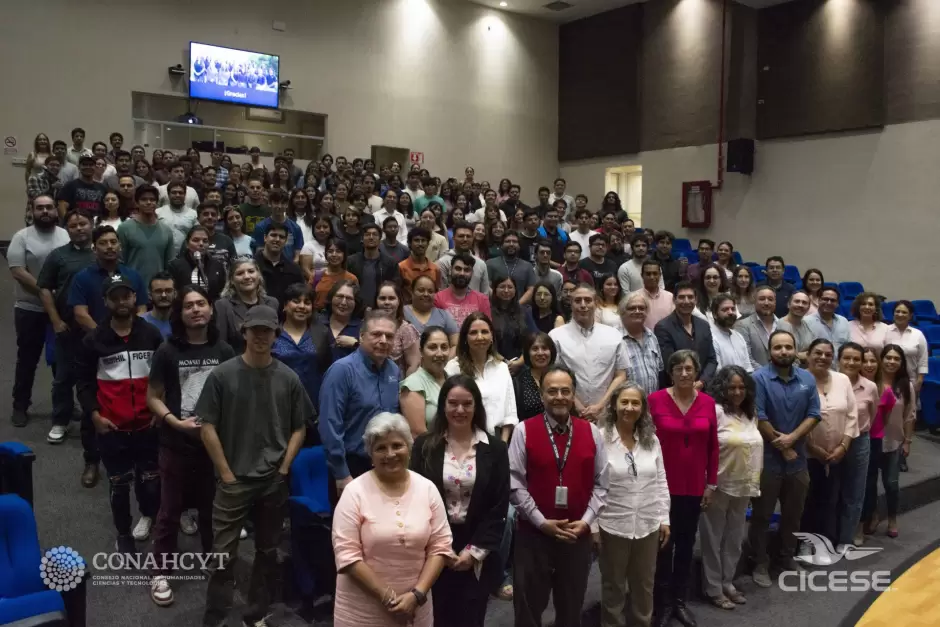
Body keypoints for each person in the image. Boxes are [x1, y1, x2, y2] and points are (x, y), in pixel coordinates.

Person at [196, 304, 311, 627]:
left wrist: (285, 467)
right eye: (255, 330)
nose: (261, 336)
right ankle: (215, 619)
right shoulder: (222, 375)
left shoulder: (288, 378)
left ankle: (255, 615)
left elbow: (299, 426)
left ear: (276, 334)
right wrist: (226, 474)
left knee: (267, 552)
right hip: (234, 482)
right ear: (244, 332)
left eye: (268, 331)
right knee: (223, 557)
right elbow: (206, 426)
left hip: (273, 479)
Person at [146, 286, 236, 607]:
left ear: (211, 310)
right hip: (175, 444)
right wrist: (174, 422)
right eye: (188, 306)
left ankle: (213, 562)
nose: (196, 310)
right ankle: (160, 572)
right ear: (179, 313)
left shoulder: (224, 350)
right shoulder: (167, 351)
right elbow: (153, 397)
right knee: (169, 512)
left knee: (211, 510)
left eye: (201, 304)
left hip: (213, 447)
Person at [509, 365, 609, 627]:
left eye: (566, 391)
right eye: (552, 391)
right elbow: (515, 482)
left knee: (571, 609)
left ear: (573, 393)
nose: (559, 396)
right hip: (533, 537)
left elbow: (602, 484)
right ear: (542, 395)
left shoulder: (591, 432)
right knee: (528, 609)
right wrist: (541, 522)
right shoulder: (523, 430)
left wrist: (587, 521)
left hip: (577, 537)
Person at [331, 413, 453, 627]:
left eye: (397, 445)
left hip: (417, 606)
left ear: (409, 446)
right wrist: (389, 599)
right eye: (380, 448)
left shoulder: (427, 489)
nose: (390, 454)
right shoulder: (354, 493)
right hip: (362, 612)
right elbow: (347, 555)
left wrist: (416, 596)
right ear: (370, 454)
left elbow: (441, 547)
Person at [410, 376, 511, 627]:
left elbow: (498, 507)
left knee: (471, 617)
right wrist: (440, 548)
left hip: (476, 548)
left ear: (476, 407)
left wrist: (474, 553)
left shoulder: (495, 448)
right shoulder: (425, 445)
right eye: (453, 403)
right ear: (443, 405)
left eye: (467, 404)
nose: (460, 410)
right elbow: (415, 498)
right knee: (436, 617)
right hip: (434, 546)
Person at [75, 275, 164, 554]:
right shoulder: (93, 340)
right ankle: (123, 533)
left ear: (135, 298)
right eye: (115, 297)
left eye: (126, 296)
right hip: (113, 428)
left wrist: (160, 410)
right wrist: (94, 416)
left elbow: (163, 378)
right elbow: (85, 383)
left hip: (148, 426)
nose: (121, 302)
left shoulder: (151, 334)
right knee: (119, 486)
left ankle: (149, 517)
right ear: (106, 302)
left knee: (150, 482)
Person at [647, 350, 718, 627]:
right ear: (671, 371)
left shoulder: (709, 403)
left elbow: (713, 448)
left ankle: (679, 601)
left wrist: (711, 484)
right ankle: (661, 603)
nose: (684, 373)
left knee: (687, 545)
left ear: (697, 371)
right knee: (663, 546)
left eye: (689, 368)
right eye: (679, 369)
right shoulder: (655, 400)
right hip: (663, 486)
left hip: (694, 488)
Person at [748, 330, 821, 588]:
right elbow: (759, 416)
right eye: (778, 347)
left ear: (795, 349)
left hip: (798, 461)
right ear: (770, 351)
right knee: (762, 515)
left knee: (793, 514)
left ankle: (787, 557)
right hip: (768, 461)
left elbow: (814, 414)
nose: (784, 352)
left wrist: (792, 440)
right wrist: (783, 447)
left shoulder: (807, 379)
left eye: (788, 347)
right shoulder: (758, 379)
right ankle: (759, 562)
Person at [594, 382, 669, 627]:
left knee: (644, 586)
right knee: (613, 587)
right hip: (612, 524)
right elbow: (590, 484)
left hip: (648, 524)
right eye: (624, 402)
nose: (629, 407)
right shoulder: (599, 438)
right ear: (614, 405)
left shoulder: (651, 440)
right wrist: (593, 524)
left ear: (643, 408)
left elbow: (661, 480)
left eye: (635, 402)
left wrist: (664, 518)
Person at [319, 312, 402, 495]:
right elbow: (330, 425)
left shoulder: (394, 371)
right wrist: (341, 473)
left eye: (389, 336)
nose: (383, 340)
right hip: (351, 465)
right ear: (362, 336)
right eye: (376, 334)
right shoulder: (341, 371)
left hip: (386, 463)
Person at [700, 366, 762, 609]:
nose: (737, 392)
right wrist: (708, 483)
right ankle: (713, 587)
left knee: (735, 539)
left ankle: (728, 581)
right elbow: (706, 449)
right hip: (718, 485)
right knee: (712, 539)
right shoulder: (714, 412)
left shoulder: (750, 413)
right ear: (721, 388)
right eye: (731, 387)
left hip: (744, 484)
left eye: (741, 387)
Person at [7, 196, 69, 427]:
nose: (45, 211)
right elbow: (18, 271)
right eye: (39, 208)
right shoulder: (21, 237)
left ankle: (64, 406)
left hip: (61, 310)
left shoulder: (65, 235)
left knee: (60, 361)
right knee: (27, 359)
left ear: (56, 210)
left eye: (49, 207)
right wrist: (46, 292)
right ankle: (20, 405)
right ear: (32, 211)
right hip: (29, 309)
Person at [36, 210, 96, 446]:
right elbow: (44, 289)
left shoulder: (101, 253)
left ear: (91, 225)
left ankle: (95, 419)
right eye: (73, 225)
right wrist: (55, 320)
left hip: (96, 327)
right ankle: (60, 420)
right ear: (67, 230)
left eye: (83, 224)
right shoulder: (58, 256)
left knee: (98, 375)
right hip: (67, 327)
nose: (79, 228)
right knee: (63, 377)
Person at [801, 339, 858, 551]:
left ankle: (825, 540)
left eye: (827, 354)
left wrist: (843, 446)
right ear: (808, 355)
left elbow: (852, 415)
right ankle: (805, 543)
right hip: (808, 454)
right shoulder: (800, 380)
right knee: (808, 500)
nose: (823, 358)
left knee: (831, 498)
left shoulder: (842, 380)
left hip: (837, 453)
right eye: (817, 353)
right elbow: (794, 418)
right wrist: (812, 448)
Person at [550, 284, 628, 422]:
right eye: (577, 300)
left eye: (588, 300)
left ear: (596, 303)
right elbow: (554, 378)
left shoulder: (613, 335)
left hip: (606, 413)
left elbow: (621, 375)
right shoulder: (556, 336)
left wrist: (600, 406)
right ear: (571, 304)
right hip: (570, 413)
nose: (583, 305)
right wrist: (579, 407)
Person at [862, 344, 915, 538]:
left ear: (901, 363)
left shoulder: (905, 385)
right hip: (869, 442)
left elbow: (910, 415)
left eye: (896, 359)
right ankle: (873, 515)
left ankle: (892, 518)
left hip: (893, 442)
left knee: (891, 484)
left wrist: (907, 441)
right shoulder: (870, 382)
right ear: (881, 359)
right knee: (869, 483)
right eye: (888, 357)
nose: (891, 362)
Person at [444, 312, 519, 441]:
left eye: (484, 332)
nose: (480, 337)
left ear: (491, 336)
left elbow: (510, 412)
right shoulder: (453, 368)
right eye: (473, 333)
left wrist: (502, 444)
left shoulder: (502, 368)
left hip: (497, 439)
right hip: (464, 438)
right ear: (465, 338)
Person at [272, 283, 332, 439]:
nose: (302, 306)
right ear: (285, 305)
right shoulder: (273, 333)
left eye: (307, 302)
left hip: (314, 409)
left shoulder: (322, 333)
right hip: (279, 408)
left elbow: (327, 371)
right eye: (296, 301)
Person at [838, 342, 878, 547]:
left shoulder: (870, 387)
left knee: (855, 491)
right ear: (839, 360)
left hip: (859, 441)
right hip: (832, 441)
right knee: (832, 490)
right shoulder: (831, 382)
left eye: (856, 359)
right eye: (847, 358)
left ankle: (846, 538)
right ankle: (829, 535)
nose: (851, 362)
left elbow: (872, 415)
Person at [654, 281, 718, 389]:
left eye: (690, 297)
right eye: (682, 297)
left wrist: (702, 382)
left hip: (703, 388)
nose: (686, 301)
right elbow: (670, 363)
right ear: (674, 300)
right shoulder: (663, 327)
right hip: (677, 389)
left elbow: (712, 359)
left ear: (696, 300)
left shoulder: (704, 325)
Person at [214, 257, 280, 355]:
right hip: (236, 365)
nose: (247, 276)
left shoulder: (272, 303)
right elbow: (221, 345)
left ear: (258, 275)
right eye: (240, 273)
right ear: (232, 280)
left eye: (251, 271)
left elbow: (276, 340)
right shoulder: (223, 305)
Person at [118, 185, 176, 288]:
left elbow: (170, 264)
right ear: (136, 202)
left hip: (159, 289)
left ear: (157, 203)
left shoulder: (166, 230)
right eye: (144, 199)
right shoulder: (124, 228)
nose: (148, 202)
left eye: (152, 199)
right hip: (132, 287)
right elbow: (120, 261)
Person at [400, 327, 451, 435]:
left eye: (444, 347)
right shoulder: (413, 385)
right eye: (432, 348)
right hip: (431, 449)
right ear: (421, 351)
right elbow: (418, 434)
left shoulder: (453, 380)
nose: (439, 354)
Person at [619, 292, 664, 397]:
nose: (638, 311)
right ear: (622, 312)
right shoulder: (616, 339)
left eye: (642, 308)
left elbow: (660, 370)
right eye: (632, 308)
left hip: (651, 405)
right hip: (627, 406)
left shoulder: (652, 337)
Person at [346, 223, 402, 307]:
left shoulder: (390, 263)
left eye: (375, 234)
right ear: (362, 239)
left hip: (381, 308)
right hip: (355, 309)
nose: (371, 237)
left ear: (380, 239)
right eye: (367, 234)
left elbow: (395, 287)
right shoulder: (351, 261)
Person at [374, 281, 421, 376]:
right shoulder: (368, 325)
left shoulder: (406, 329)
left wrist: (404, 388)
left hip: (397, 384)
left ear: (399, 301)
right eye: (382, 298)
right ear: (376, 301)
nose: (387, 302)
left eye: (391, 298)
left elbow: (414, 364)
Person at [167, 226, 226, 302]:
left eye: (205, 241)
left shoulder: (217, 265)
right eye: (196, 240)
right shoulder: (175, 266)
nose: (201, 244)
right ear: (187, 244)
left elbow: (221, 293)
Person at [253, 222, 305, 308]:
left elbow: (300, 295)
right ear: (265, 238)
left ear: (285, 241)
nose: (277, 239)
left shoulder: (294, 269)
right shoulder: (251, 266)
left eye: (281, 237)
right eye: (273, 235)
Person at [490, 275, 537, 366]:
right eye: (502, 287)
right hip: (494, 362)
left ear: (515, 290)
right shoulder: (488, 311)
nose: (506, 290)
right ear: (495, 289)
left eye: (510, 287)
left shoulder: (525, 311)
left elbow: (534, 338)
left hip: (522, 362)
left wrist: (519, 362)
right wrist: (503, 362)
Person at [435, 252, 492, 328]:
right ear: (450, 270)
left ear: (472, 273)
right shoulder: (438, 298)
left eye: (467, 270)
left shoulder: (482, 300)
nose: (462, 273)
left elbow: (487, 329)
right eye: (458, 269)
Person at [885, 300, 929, 393]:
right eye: (897, 311)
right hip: (887, 381)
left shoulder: (918, 334)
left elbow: (923, 359)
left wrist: (920, 380)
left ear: (910, 315)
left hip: (911, 380)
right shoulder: (885, 331)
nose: (900, 314)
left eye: (904, 312)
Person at [513, 332, 557, 423]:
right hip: (530, 433)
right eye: (535, 349)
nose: (540, 353)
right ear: (528, 353)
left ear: (551, 351)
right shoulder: (518, 382)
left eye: (544, 348)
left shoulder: (560, 377)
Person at [403, 275, 459, 344]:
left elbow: (455, 344)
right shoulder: (402, 312)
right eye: (421, 290)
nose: (426, 294)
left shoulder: (444, 316)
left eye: (430, 291)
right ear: (412, 291)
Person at [437, 221, 490, 293]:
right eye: (461, 236)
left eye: (468, 236)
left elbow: (485, 293)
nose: (465, 239)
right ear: (453, 238)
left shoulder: (481, 264)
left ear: (473, 238)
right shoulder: (443, 262)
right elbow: (441, 292)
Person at [487, 231, 537, 306]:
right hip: (495, 309)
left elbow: (531, 289)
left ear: (519, 246)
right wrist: (498, 302)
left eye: (514, 241)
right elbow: (486, 286)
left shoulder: (527, 266)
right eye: (507, 241)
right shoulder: (490, 263)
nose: (511, 244)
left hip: (520, 310)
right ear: (501, 245)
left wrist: (517, 305)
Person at [734, 284, 777, 368]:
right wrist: (767, 375)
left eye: (770, 299)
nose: (766, 303)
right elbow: (746, 358)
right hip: (756, 378)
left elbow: (794, 356)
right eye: (762, 299)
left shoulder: (784, 324)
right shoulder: (742, 325)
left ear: (775, 302)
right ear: (754, 301)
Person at [710, 294, 754, 372]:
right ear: (714, 314)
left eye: (733, 309)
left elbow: (748, 368)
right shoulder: (711, 338)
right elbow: (717, 372)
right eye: (725, 309)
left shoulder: (738, 336)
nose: (730, 312)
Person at [57, 155, 108, 220]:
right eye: (84, 165)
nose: (88, 167)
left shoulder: (102, 188)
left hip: (97, 224)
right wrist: (67, 222)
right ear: (79, 167)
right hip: (77, 223)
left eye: (91, 165)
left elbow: (106, 208)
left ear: (95, 167)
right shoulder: (70, 185)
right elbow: (62, 205)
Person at [805, 286, 851, 358]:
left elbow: (849, 347)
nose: (829, 303)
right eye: (825, 299)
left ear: (837, 304)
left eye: (833, 300)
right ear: (818, 300)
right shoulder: (806, 322)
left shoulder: (844, 321)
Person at [399, 227, 441, 304]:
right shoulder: (401, 267)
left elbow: (437, 293)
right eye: (416, 240)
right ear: (409, 243)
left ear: (428, 244)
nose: (420, 244)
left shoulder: (435, 269)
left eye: (423, 240)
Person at [631, 260, 674, 331]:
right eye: (648, 274)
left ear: (660, 275)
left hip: (666, 339)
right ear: (642, 275)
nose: (652, 277)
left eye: (655, 273)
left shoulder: (670, 297)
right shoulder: (633, 297)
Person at [775, 291, 815, 364]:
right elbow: (786, 354)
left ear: (808, 308)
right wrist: (804, 354)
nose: (800, 305)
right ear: (788, 305)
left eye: (804, 303)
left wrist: (800, 354)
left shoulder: (806, 324)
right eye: (797, 301)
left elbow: (814, 350)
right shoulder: (781, 325)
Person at [156, 181, 198, 251]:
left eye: (180, 193)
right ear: (168, 194)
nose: (177, 195)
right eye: (174, 192)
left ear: (185, 195)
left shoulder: (194, 214)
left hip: (185, 256)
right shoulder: (158, 212)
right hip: (162, 253)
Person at [139, 272, 176, 339]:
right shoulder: (140, 323)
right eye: (158, 291)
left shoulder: (183, 322)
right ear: (150, 295)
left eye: (168, 291)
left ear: (175, 294)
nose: (164, 295)